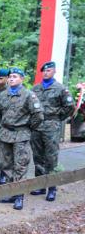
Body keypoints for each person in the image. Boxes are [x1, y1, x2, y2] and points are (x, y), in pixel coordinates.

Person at [0, 68, 44, 210]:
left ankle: (19, 196)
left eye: (15, 76)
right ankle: (11, 193)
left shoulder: (28, 95)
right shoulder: (3, 95)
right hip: (5, 135)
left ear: (22, 79)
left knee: (20, 166)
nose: (11, 79)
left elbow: (38, 115)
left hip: (21, 134)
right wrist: (1, 127)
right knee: (6, 165)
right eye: (10, 76)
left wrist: (28, 127)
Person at [29, 61, 75, 201]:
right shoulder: (35, 89)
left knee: (51, 156)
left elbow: (69, 106)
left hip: (51, 126)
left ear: (54, 71)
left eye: (48, 70)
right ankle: (40, 185)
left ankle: (52, 188)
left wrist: (58, 118)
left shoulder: (61, 89)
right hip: (37, 126)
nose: (46, 72)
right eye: (44, 71)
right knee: (38, 156)